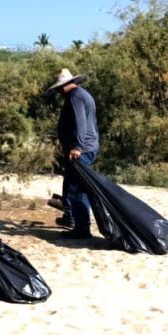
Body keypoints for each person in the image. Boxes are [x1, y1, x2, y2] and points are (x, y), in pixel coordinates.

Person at [48, 68, 99, 239]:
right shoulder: (80, 95)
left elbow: (80, 123)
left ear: (63, 87)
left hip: (82, 149)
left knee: (77, 189)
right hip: (85, 147)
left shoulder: (75, 97)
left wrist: (77, 146)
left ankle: (82, 228)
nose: (58, 92)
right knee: (71, 184)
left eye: (58, 89)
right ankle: (71, 218)